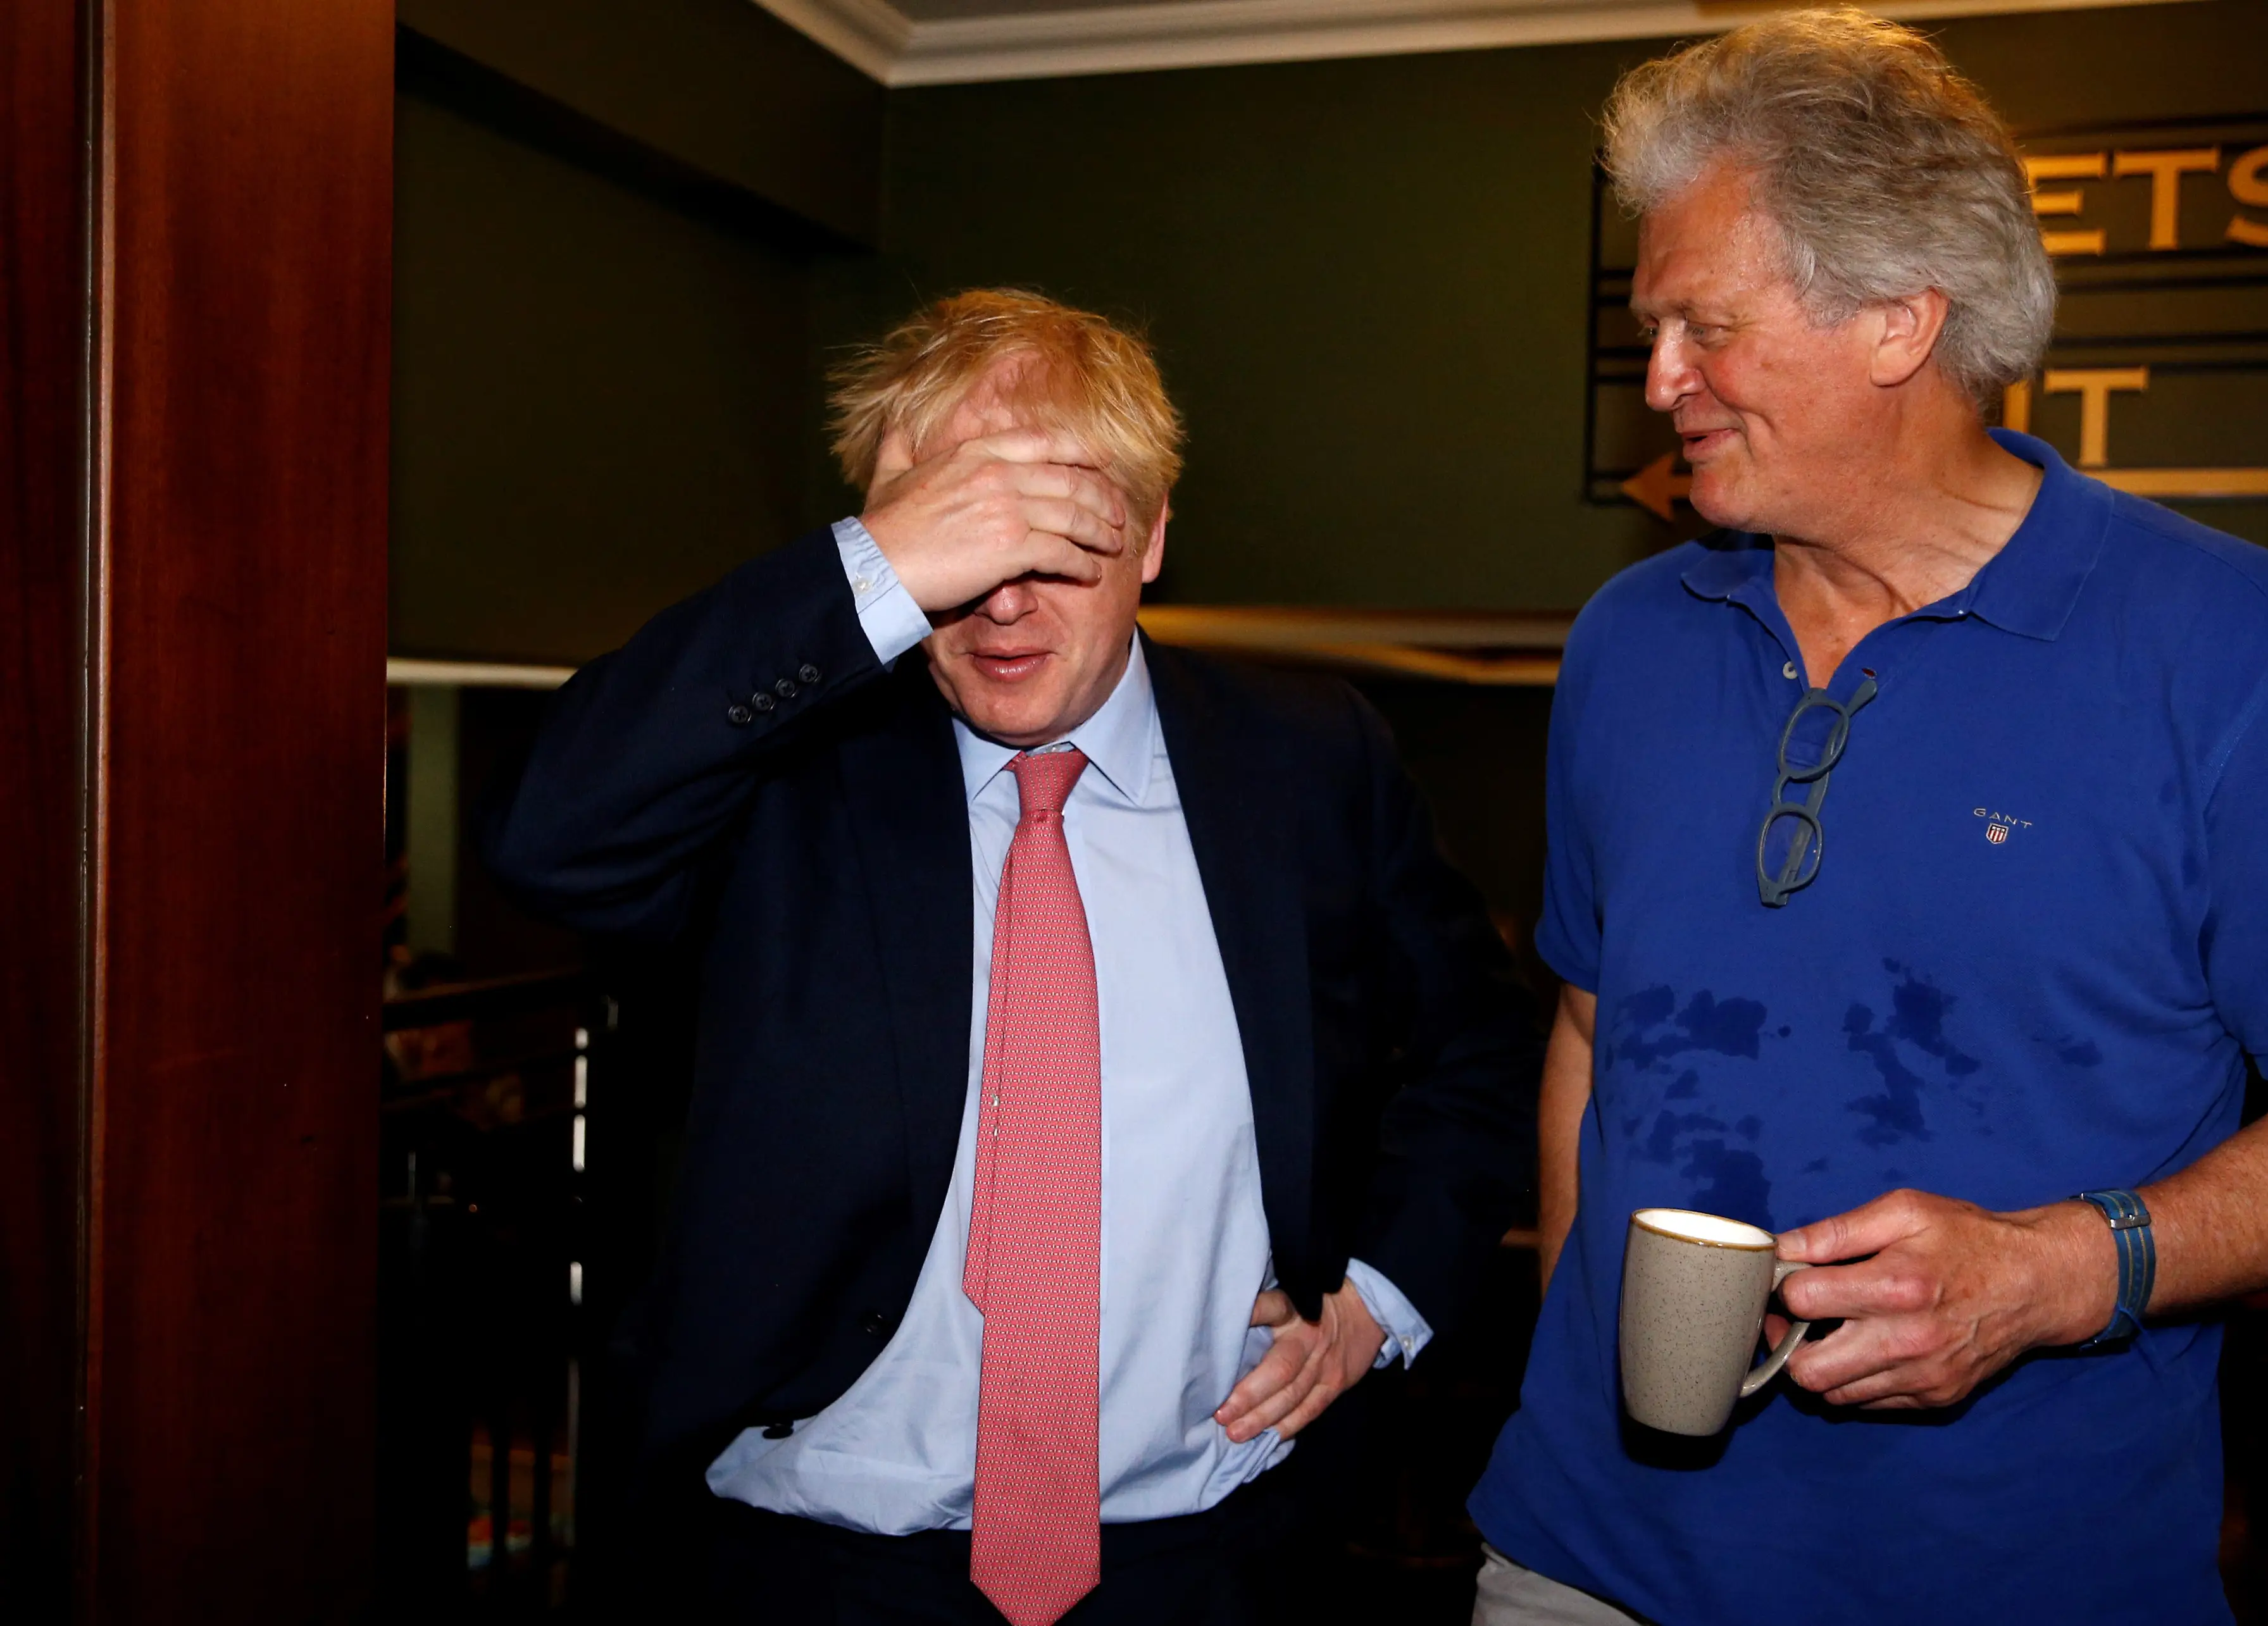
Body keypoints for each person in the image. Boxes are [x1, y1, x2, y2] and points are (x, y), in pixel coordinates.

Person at [1468, 13, 2268, 1625]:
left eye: (1706, 325)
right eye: (1653, 330)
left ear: (1902, 322)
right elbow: (1587, 1029)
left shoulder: (2222, 644)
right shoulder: (1629, 640)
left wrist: (2066, 1271)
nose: (1659, 382)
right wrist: (1582, 1357)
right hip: (1578, 1567)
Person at [480, 289, 1538, 1625]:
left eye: (1056, 538)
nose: (1000, 602)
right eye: (955, 543)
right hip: (811, 1564)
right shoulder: (788, 772)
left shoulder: (1308, 760)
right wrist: (866, 572)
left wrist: (1379, 1299)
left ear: (1152, 536)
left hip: (1205, 1559)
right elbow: (549, 836)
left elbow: (1480, 1046)